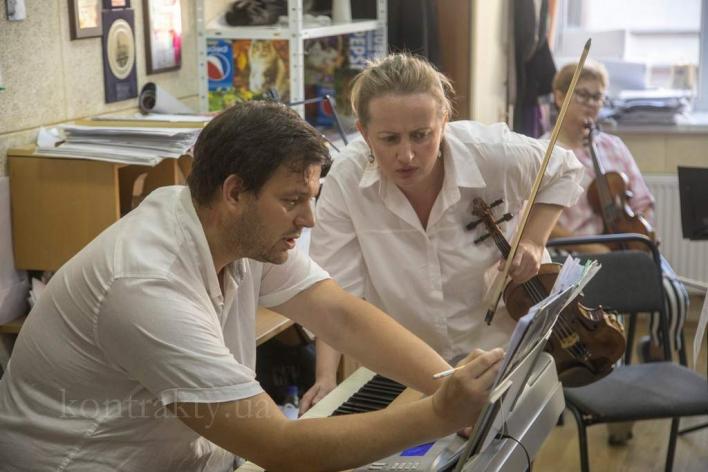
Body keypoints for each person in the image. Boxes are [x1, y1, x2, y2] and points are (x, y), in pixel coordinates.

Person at [0, 101, 505, 472]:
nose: (308, 219)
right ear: (234, 192)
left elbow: (339, 314)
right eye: (292, 200)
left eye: (312, 198)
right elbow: (280, 448)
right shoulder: (145, 284)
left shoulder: (235, 230)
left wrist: (448, 385)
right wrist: (437, 414)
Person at [300, 53, 585, 413]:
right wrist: (326, 377)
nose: (407, 155)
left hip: (499, 352)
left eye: (421, 136)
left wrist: (532, 240)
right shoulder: (346, 178)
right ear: (364, 132)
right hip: (408, 364)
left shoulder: (491, 152)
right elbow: (336, 292)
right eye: (389, 139)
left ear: (444, 120)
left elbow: (564, 169)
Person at [547, 61, 690, 446]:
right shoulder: (544, 152)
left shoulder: (612, 146)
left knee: (674, 297)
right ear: (559, 97)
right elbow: (546, 225)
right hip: (576, 254)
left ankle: (656, 345)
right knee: (612, 316)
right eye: (583, 95)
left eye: (598, 97)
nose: (592, 104)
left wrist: (640, 230)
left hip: (626, 246)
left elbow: (641, 200)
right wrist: (592, 247)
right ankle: (617, 404)